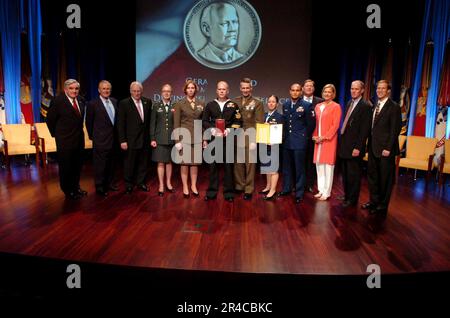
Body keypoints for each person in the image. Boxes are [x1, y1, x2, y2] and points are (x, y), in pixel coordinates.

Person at [362, 80, 402, 216]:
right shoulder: (374, 106)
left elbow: (395, 130)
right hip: (373, 147)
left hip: (386, 149)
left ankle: (382, 205)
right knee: (372, 177)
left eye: (383, 88)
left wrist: (389, 148)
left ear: (388, 90)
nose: (379, 90)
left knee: (385, 179)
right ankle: (373, 201)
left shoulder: (394, 107)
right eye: (378, 88)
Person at [46, 79, 86, 200]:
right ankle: (68, 190)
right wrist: (57, 135)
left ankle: (76, 187)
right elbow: (50, 120)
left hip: (79, 139)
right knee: (66, 167)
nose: (74, 91)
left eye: (76, 89)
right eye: (71, 88)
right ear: (65, 89)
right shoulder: (58, 101)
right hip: (64, 141)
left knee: (77, 166)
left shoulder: (81, 100)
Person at [202, 81, 241, 202]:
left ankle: (229, 193)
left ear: (228, 91)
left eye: (224, 89)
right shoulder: (210, 105)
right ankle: (212, 192)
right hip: (214, 139)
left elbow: (238, 122)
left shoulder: (233, 105)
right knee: (213, 166)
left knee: (228, 167)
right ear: (216, 90)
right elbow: (204, 121)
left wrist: (229, 130)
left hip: (228, 139)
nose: (222, 91)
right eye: (219, 89)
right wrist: (212, 129)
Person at [279, 83, 315, 203]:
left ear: (301, 92)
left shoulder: (307, 105)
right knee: (286, 168)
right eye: (293, 90)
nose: (295, 92)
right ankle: (286, 188)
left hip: (300, 142)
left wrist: (303, 137)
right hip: (287, 141)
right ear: (290, 91)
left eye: (297, 90)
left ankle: (299, 193)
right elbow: (285, 122)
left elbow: (310, 125)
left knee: (300, 168)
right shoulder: (285, 104)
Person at [338, 80, 372, 207]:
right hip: (346, 144)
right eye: (352, 88)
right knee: (346, 174)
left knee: (353, 175)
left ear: (362, 90)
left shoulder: (366, 106)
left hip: (355, 147)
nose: (353, 91)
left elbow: (364, 130)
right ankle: (347, 195)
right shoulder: (349, 103)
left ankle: (352, 200)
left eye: (356, 89)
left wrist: (358, 147)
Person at [117, 81, 152, 194]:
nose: (137, 93)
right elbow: (120, 124)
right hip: (130, 140)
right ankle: (128, 184)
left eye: (139, 91)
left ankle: (141, 182)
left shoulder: (147, 101)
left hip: (144, 139)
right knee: (129, 163)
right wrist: (122, 140)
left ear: (141, 91)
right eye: (134, 91)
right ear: (131, 91)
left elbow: (149, 122)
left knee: (143, 163)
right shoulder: (124, 103)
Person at [86, 80, 119, 197]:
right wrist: (94, 137)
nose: (106, 91)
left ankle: (110, 183)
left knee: (111, 163)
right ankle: (100, 186)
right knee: (100, 165)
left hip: (113, 140)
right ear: (99, 90)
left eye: (108, 89)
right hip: (100, 140)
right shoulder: (92, 104)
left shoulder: (114, 101)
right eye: (104, 89)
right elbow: (88, 123)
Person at [233, 78, 264, 200]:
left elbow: (259, 122)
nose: (245, 90)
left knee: (250, 165)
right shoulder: (234, 101)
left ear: (251, 88)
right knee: (238, 163)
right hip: (237, 136)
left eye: (247, 88)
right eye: (243, 88)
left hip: (250, 136)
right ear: (240, 88)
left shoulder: (257, 103)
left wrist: (254, 140)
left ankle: (249, 188)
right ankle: (239, 185)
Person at [173, 80, 205, 198]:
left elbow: (203, 122)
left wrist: (204, 138)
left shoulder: (201, 103)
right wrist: (177, 141)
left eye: (193, 88)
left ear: (195, 90)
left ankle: (193, 186)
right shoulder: (179, 103)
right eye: (189, 88)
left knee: (194, 164)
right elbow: (176, 123)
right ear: (185, 90)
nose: (191, 90)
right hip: (184, 138)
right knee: (185, 164)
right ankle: (185, 187)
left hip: (197, 138)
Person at [312, 84, 342, 201]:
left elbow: (335, 126)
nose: (327, 94)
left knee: (328, 166)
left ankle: (327, 192)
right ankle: (321, 189)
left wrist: (324, 137)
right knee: (319, 165)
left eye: (330, 92)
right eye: (325, 92)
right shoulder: (318, 106)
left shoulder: (336, 106)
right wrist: (315, 136)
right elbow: (315, 123)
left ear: (333, 94)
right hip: (317, 140)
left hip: (328, 140)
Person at [150, 84, 175, 196]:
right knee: (160, 163)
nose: (166, 93)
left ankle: (168, 183)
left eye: (168, 91)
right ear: (161, 92)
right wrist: (152, 138)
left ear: (171, 93)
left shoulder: (175, 105)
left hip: (171, 138)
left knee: (169, 162)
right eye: (164, 91)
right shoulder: (156, 105)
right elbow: (152, 124)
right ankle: (161, 185)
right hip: (159, 139)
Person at [259, 95, 283, 201]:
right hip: (265, 145)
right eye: (269, 102)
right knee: (267, 168)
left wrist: (274, 142)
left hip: (274, 146)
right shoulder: (263, 116)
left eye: (273, 102)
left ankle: (273, 190)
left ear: (277, 104)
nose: (271, 103)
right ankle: (268, 186)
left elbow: (282, 133)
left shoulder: (280, 117)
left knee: (273, 169)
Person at [302, 79, 324, 193]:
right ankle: (299, 184)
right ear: (303, 88)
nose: (309, 88)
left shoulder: (320, 102)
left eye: (311, 86)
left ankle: (310, 184)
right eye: (307, 86)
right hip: (300, 137)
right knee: (300, 161)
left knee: (311, 162)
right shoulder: (298, 101)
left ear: (314, 89)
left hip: (314, 137)